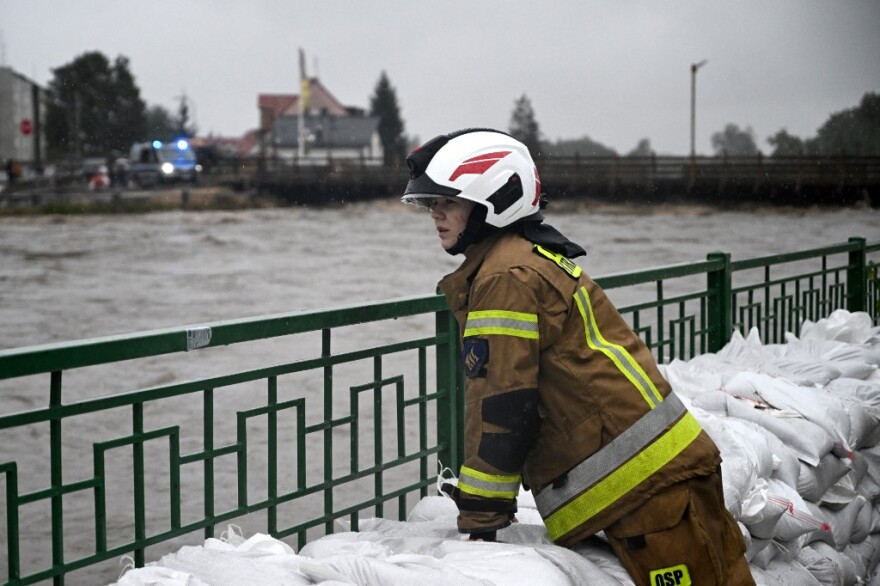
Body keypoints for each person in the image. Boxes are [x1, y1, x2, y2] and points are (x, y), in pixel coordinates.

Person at [401, 128, 754, 586]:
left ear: (494, 199)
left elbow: (504, 407)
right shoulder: (526, 257)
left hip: (646, 487)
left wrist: (481, 517)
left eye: (449, 202)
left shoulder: (505, 277)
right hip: (660, 473)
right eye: (431, 204)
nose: (437, 214)